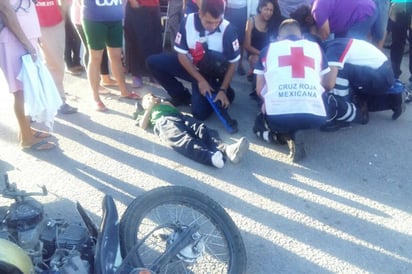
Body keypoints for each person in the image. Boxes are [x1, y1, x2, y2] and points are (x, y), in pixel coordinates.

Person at [147, 0, 240, 121]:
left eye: (217, 22)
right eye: (209, 22)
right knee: (153, 62)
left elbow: (233, 64)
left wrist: (223, 89)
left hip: (211, 74)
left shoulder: (228, 30)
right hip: (190, 67)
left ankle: (224, 92)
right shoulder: (187, 21)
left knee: (199, 114)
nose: (213, 26)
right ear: (200, 13)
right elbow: (181, 55)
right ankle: (181, 96)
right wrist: (200, 80)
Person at [252, 19, 332, 162]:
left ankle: (284, 137)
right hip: (315, 117)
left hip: (279, 116)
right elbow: (327, 84)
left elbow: (259, 89)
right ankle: (299, 126)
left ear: (278, 38)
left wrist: (267, 102)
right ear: (302, 37)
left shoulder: (268, 50)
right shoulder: (316, 48)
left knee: (258, 126)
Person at [137, 93, 249, 168]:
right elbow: (142, 125)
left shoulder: (164, 103)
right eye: (146, 98)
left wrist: (164, 103)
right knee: (182, 138)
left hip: (179, 117)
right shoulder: (147, 112)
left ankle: (227, 149)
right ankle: (209, 157)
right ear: (143, 105)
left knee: (201, 129)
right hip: (164, 121)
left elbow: (176, 111)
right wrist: (149, 108)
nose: (151, 98)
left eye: (152, 96)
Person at [0, 0, 56, 150]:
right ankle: (26, 139)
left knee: (28, 88)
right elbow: (6, 10)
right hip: (13, 41)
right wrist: (26, 44)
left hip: (25, 38)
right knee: (20, 92)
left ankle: (26, 130)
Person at [321, 37, 405, 131]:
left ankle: (343, 116)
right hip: (383, 74)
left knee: (338, 72)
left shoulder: (333, 49)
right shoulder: (335, 44)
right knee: (344, 80)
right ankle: (393, 100)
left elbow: (328, 84)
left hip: (381, 76)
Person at [82, 0, 140, 112]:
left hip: (115, 17)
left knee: (116, 56)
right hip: (94, 18)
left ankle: (124, 91)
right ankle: (95, 97)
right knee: (95, 58)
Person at [35, 0, 79, 115]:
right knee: (27, 65)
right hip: (23, 21)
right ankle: (33, 107)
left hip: (52, 21)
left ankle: (58, 100)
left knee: (56, 64)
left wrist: (62, 12)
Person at [70, 0, 116, 87]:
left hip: (98, 18)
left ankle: (105, 78)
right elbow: (82, 4)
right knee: (91, 50)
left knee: (102, 48)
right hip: (84, 19)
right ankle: (95, 84)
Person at [243, 0, 282, 96]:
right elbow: (246, 45)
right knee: (257, 61)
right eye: (266, 9)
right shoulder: (251, 21)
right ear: (260, 8)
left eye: (271, 10)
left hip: (270, 53)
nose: (269, 13)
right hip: (255, 53)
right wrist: (262, 54)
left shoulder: (274, 23)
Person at [124, 0, 163, 88]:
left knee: (155, 42)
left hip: (154, 6)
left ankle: (153, 74)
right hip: (137, 5)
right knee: (136, 40)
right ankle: (136, 74)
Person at [311, 0, 377, 41]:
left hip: (364, 11)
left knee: (349, 46)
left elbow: (325, 34)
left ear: (308, 19)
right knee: (339, 45)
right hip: (350, 17)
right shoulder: (316, 4)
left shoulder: (317, 10)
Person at [224, 0, 248, 75]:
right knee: (226, 36)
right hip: (227, 7)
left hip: (242, 9)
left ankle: (240, 65)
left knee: (241, 39)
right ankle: (225, 63)